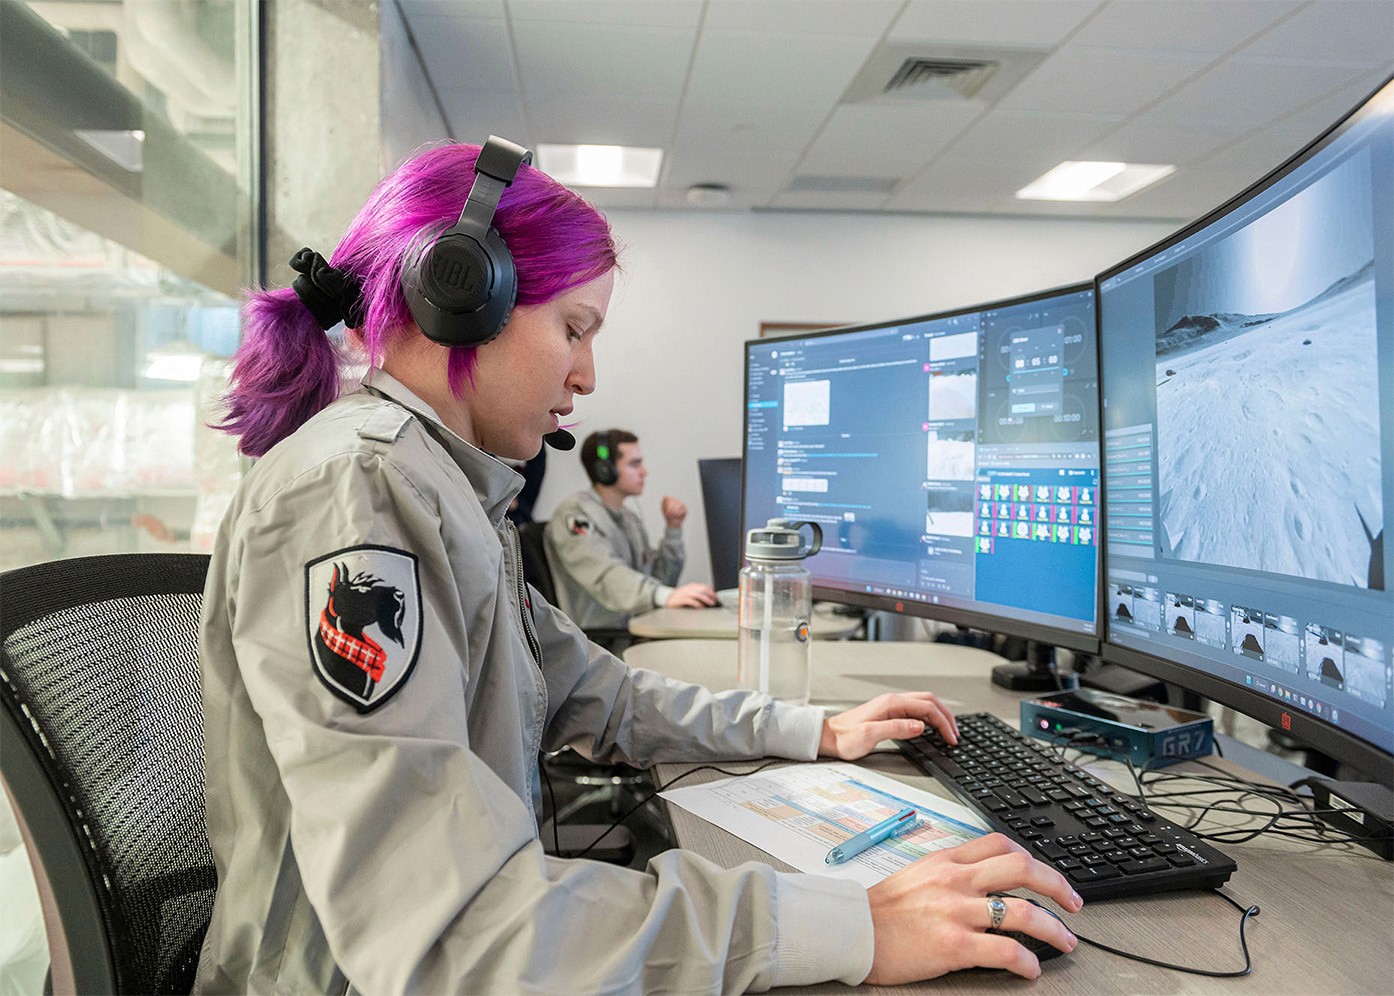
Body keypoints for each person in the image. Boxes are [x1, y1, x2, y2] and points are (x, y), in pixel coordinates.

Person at [196, 138, 1082, 994]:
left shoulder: (442, 490)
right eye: (574, 328)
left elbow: (605, 695)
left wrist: (816, 730)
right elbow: (447, 935)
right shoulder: (362, 490)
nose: (587, 374)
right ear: (459, 295)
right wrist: (854, 925)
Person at [546, 428, 717, 631]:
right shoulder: (574, 516)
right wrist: (665, 595)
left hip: (635, 630)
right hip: (601, 643)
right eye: (635, 464)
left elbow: (662, 579)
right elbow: (608, 578)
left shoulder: (629, 519)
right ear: (605, 470)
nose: (644, 472)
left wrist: (673, 530)